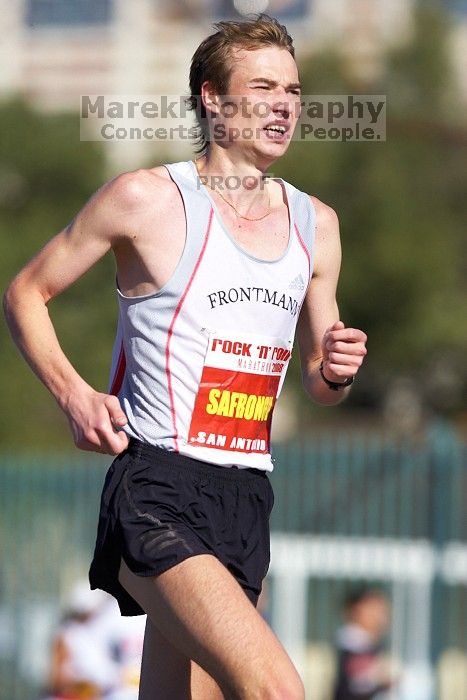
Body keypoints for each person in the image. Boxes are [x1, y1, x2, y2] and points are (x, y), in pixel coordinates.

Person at [4, 14, 368, 700]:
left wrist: (333, 369)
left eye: (292, 90)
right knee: (274, 689)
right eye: (262, 87)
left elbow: (322, 380)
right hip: (158, 486)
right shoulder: (145, 198)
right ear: (211, 98)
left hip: (246, 495)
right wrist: (74, 395)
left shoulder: (316, 224)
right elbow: (25, 293)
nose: (284, 105)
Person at [333, 588, 396, 700]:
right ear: (356, 610)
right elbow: (356, 686)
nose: (381, 616)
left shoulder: (368, 644)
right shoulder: (351, 644)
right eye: (374, 609)